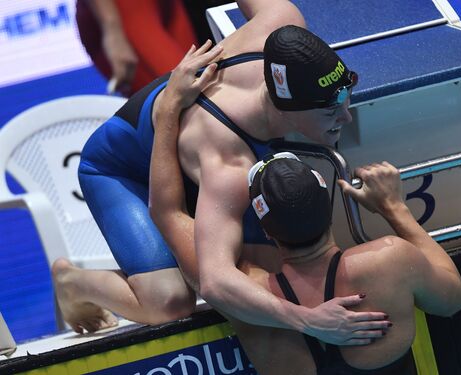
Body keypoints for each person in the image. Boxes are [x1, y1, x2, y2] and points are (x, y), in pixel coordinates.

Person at [54, 0, 389, 343]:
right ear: (288, 109)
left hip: (197, 154)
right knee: (169, 302)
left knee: (277, 268)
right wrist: (307, 321)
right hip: (122, 170)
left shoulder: (282, 25)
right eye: (330, 111)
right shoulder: (227, 163)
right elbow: (216, 282)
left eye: (345, 96)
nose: (346, 117)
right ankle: (73, 282)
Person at [222, 154, 461, 374]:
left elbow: (183, 219)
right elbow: (453, 300)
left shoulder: (246, 298)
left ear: (266, 231)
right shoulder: (390, 261)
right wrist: (393, 207)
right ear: (329, 210)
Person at [76, 0, 198, 96]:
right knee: (188, 90)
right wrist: (112, 28)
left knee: (206, 82)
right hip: (122, 11)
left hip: (168, 5)